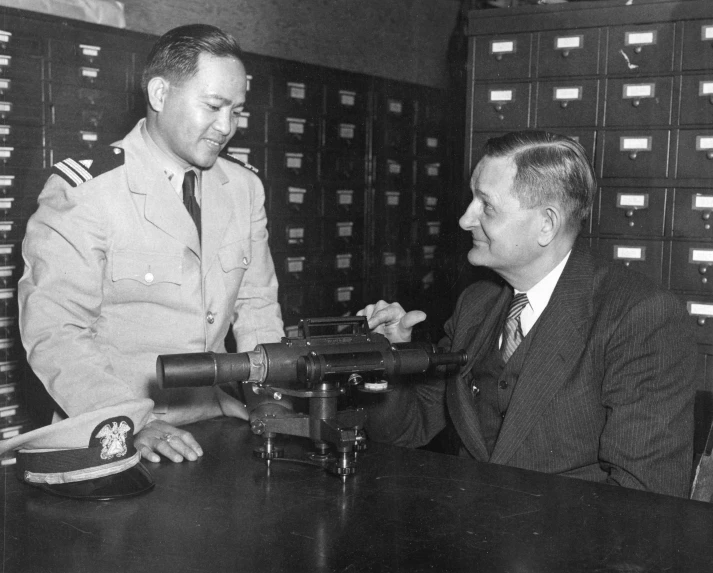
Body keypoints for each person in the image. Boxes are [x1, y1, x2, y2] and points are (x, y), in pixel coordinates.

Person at [358, 130, 696, 498]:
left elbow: (644, 499)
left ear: (546, 224)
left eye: (486, 206)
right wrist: (390, 359)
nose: (464, 220)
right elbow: (405, 432)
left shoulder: (639, 317)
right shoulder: (476, 304)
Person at [18, 24, 284, 464]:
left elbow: (257, 306)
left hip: (214, 420)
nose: (227, 127)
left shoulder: (243, 188)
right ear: (160, 95)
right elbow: (55, 332)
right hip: (114, 434)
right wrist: (130, 421)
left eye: (237, 111)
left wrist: (270, 398)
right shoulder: (89, 191)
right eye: (214, 107)